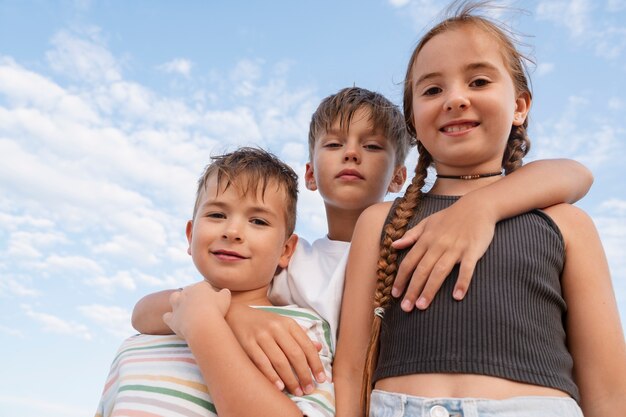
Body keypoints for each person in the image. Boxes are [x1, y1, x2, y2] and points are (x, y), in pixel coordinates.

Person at [130, 86, 593, 398]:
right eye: (333, 145)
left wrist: (485, 205)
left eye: (371, 146)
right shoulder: (292, 261)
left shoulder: (425, 239)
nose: (351, 153)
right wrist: (235, 313)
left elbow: (572, 174)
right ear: (310, 174)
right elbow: (151, 311)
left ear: (397, 175)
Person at [333, 3, 626, 417]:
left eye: (479, 80)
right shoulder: (378, 222)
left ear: (521, 105)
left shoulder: (566, 223)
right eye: (432, 90)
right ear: (413, 122)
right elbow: (350, 371)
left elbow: (610, 393)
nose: (455, 98)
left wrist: (483, 207)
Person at [96, 147, 335, 417]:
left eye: (258, 221)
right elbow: (142, 312)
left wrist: (204, 324)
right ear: (190, 235)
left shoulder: (298, 330)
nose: (232, 232)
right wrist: (219, 314)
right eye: (217, 215)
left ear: (285, 250)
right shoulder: (142, 339)